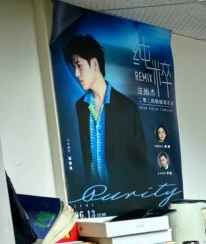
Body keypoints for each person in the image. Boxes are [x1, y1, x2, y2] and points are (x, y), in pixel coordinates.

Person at [63, 34, 147, 185]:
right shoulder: (80, 106)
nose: (76, 74)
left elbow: (140, 160)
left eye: (79, 66)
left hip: (124, 192)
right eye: (74, 68)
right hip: (94, 193)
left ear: (95, 64)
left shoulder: (127, 107)